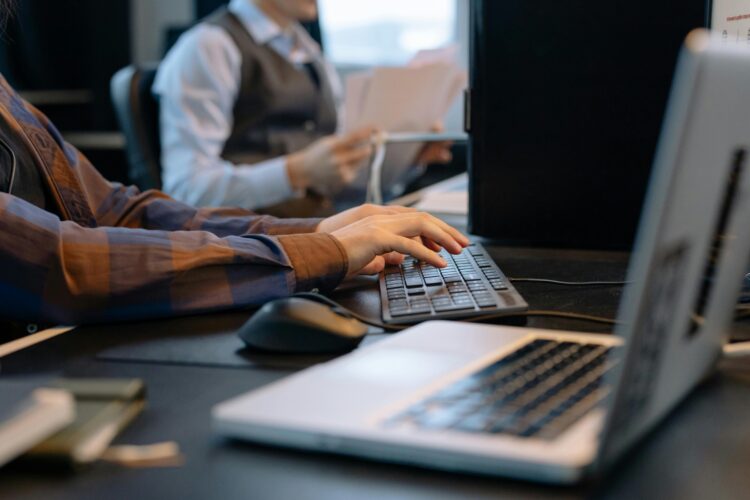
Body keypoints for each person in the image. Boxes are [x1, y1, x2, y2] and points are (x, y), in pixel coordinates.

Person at [0, 71, 468, 336]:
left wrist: (320, 233)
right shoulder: (207, 51)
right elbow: (57, 263)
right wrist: (319, 249)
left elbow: (115, 211)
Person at [153, 0, 451, 216]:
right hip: (256, 248)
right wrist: (297, 172)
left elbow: (341, 187)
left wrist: (409, 162)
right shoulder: (208, 47)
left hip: (325, 232)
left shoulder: (311, 53)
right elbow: (186, 189)